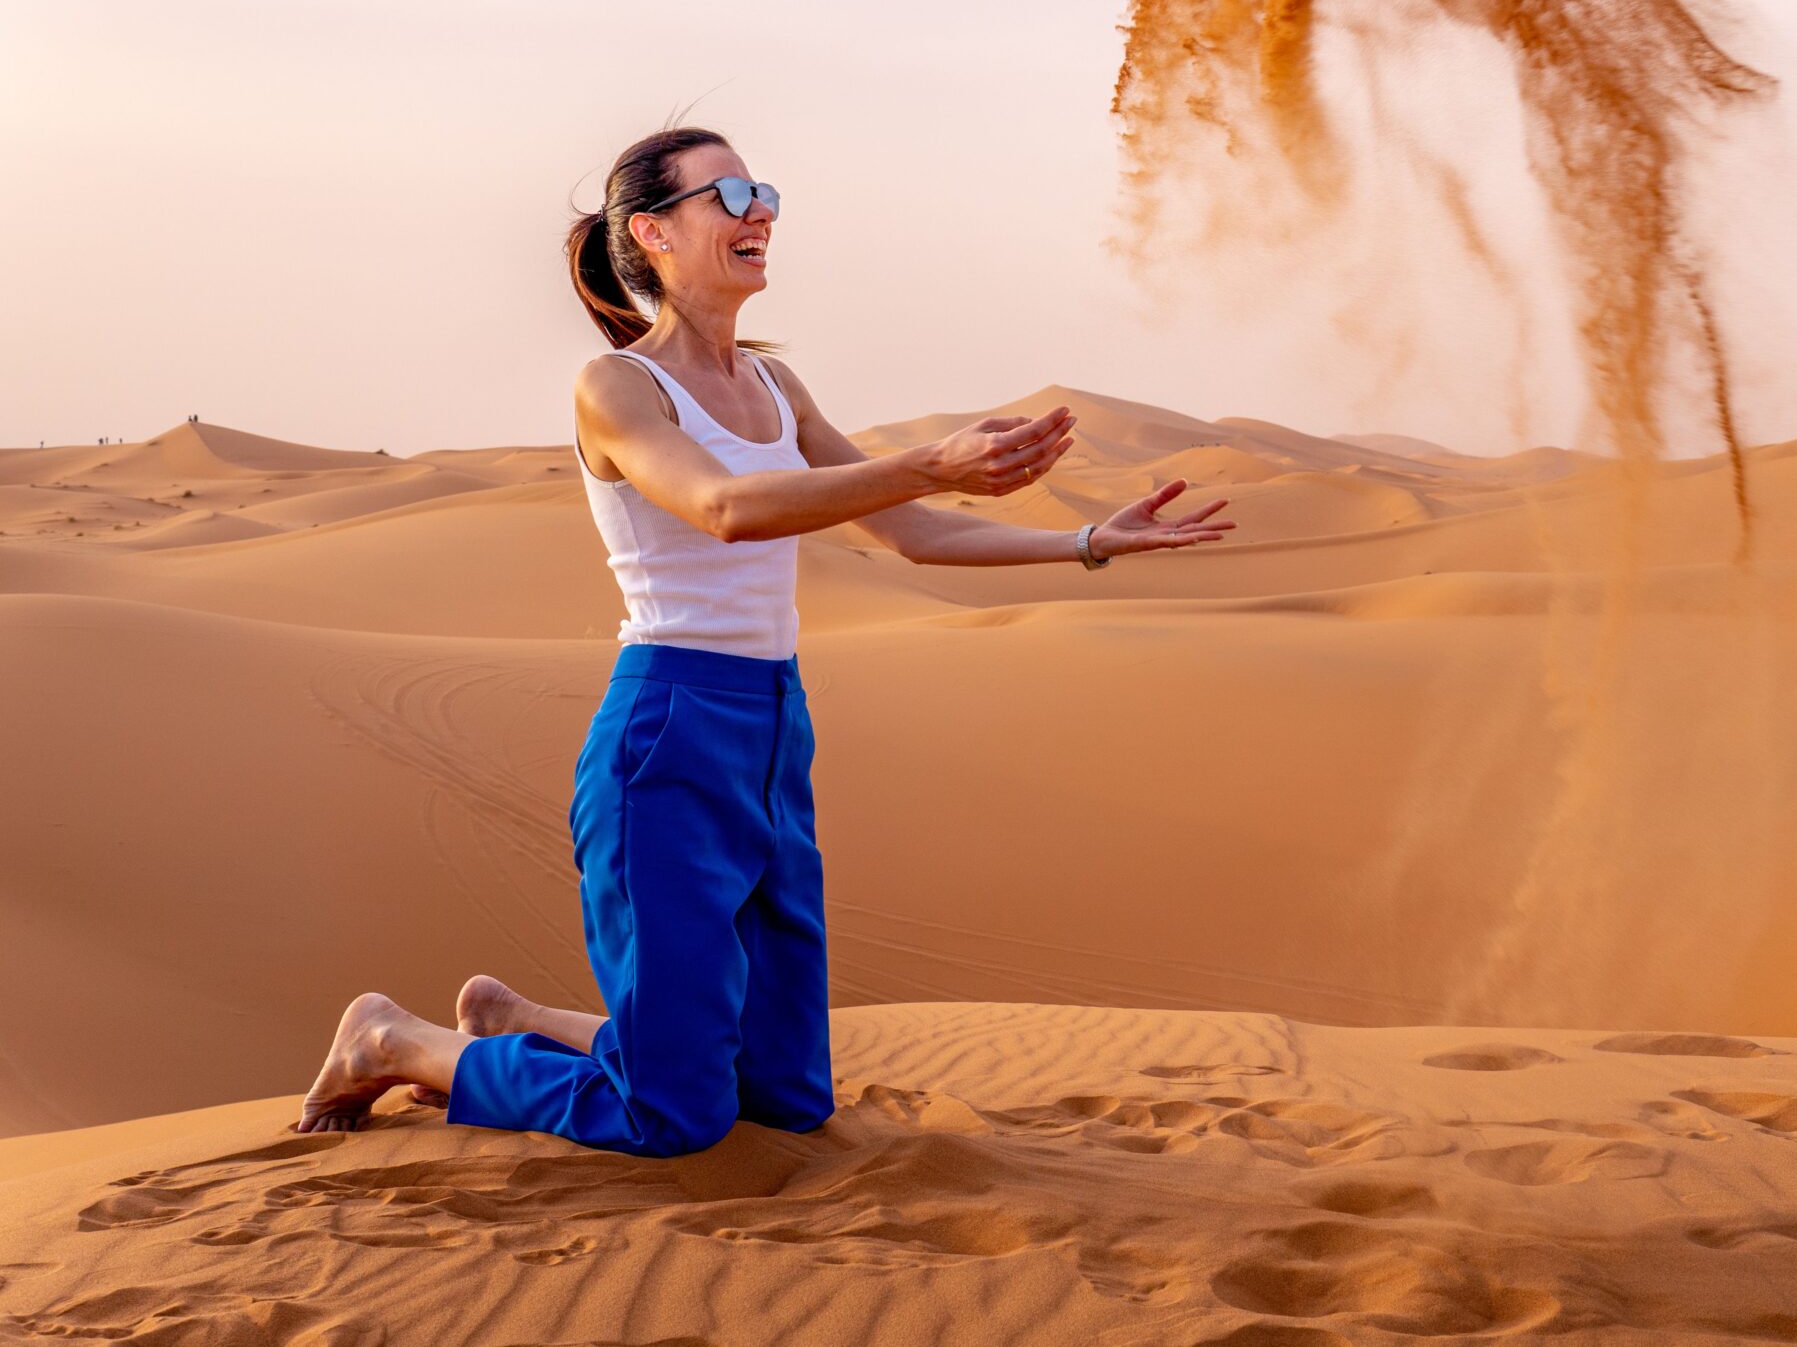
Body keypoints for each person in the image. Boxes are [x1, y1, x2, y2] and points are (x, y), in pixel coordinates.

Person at [291, 124, 1236, 1153]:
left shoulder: (778, 389)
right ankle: (402, 1042)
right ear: (650, 231)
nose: (760, 211)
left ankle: (516, 1020)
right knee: (671, 1120)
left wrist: (1088, 540)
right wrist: (927, 461)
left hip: (776, 729)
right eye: (729, 193)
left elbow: (913, 534)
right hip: (669, 733)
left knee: (785, 1094)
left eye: (764, 190)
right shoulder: (618, 388)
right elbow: (727, 508)